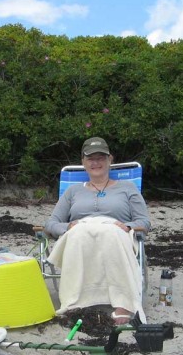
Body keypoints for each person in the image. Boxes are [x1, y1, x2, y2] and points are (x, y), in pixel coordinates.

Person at [45, 137, 151, 325]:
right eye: (90, 158)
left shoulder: (128, 188)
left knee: (110, 235)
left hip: (116, 231)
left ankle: (123, 303)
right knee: (77, 235)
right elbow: (51, 223)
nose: (96, 163)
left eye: (101, 158)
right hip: (80, 231)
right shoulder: (72, 191)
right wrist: (67, 227)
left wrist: (128, 227)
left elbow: (144, 221)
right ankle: (74, 303)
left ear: (110, 159)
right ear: (83, 162)